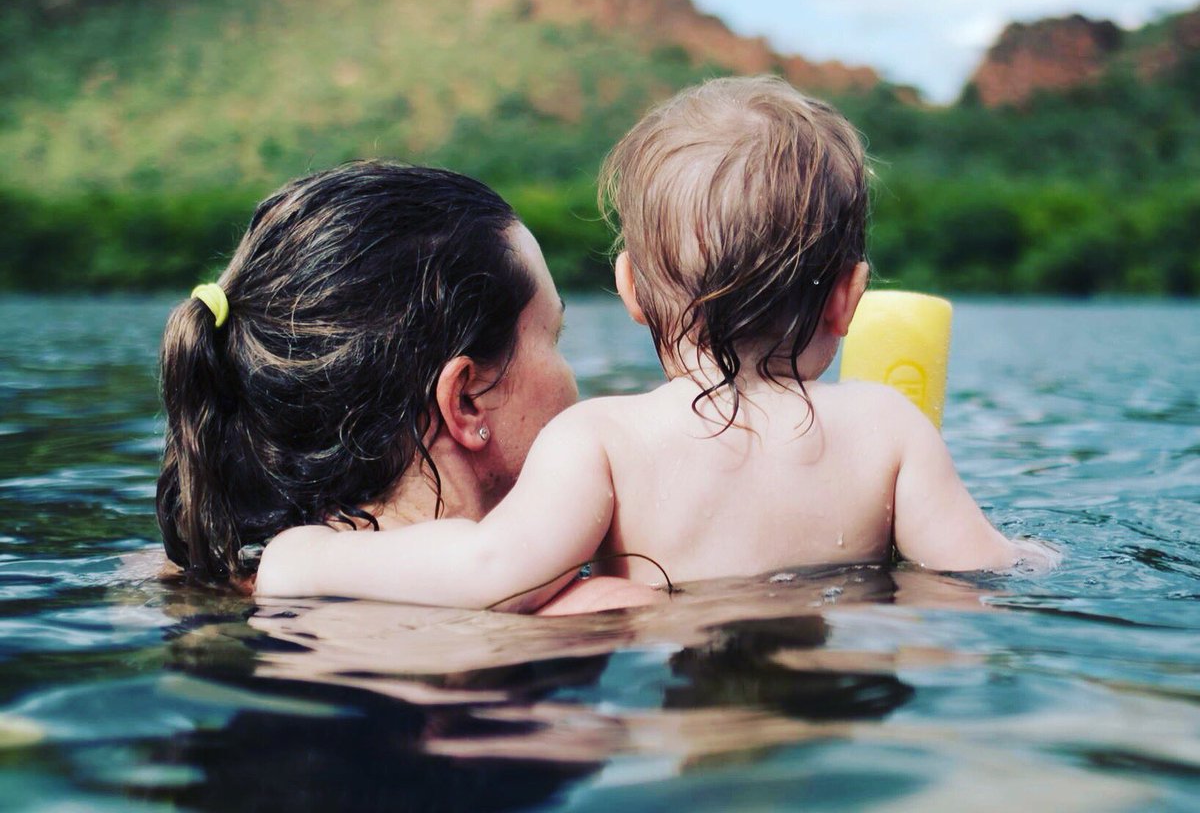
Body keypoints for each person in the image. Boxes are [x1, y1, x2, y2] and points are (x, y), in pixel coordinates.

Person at [257, 77, 1054, 610]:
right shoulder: (889, 428)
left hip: (676, 715)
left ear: (631, 289)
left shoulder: (601, 440)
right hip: (837, 708)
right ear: (849, 297)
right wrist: (1035, 553)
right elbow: (980, 571)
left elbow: (487, 572)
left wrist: (302, 558)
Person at [158, 159, 644, 611]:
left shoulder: (224, 577)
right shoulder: (599, 612)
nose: (574, 379)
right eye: (556, 338)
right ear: (466, 400)